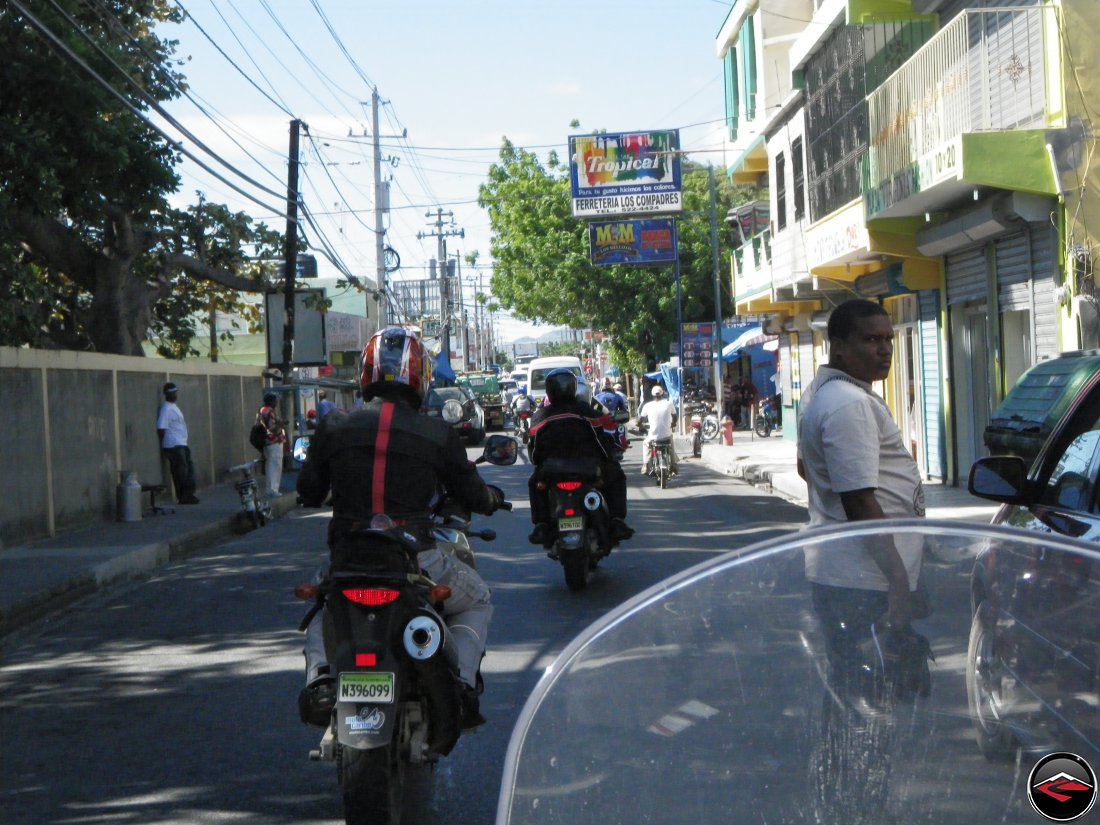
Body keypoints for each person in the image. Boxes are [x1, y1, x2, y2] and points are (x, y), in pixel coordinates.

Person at [296, 327, 506, 728]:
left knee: (325, 603)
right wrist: (492, 500)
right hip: (416, 560)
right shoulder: (438, 433)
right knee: (477, 598)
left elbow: (308, 490)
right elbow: (473, 493)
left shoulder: (335, 426)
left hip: (349, 556)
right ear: (420, 377)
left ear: (365, 375)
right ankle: (461, 683)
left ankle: (321, 678)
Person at [797, 298, 929, 815]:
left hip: (849, 577)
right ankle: (861, 808)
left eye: (888, 339)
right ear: (840, 345)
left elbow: (809, 471)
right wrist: (899, 586)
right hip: (864, 585)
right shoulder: (849, 405)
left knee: (852, 705)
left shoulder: (828, 393)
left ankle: (845, 803)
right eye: (870, 340)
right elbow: (859, 501)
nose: (883, 349)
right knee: (868, 711)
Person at [526, 368, 633, 546]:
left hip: (552, 471)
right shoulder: (588, 412)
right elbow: (604, 437)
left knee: (534, 483)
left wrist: (540, 465)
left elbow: (534, 452)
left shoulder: (540, 417)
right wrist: (609, 455)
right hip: (588, 468)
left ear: (549, 391)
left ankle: (542, 525)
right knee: (616, 475)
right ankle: (616, 521)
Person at [156, 382, 199, 504]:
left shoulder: (174, 407)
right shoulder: (166, 408)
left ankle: (189, 494)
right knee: (180, 472)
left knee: (189, 470)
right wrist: (164, 446)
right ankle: (183, 496)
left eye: (175, 392)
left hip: (182, 443)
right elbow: (161, 428)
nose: (174, 395)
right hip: (173, 445)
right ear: (166, 394)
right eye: (171, 393)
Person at [637, 385, 678, 476]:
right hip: (667, 435)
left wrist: (639, 426)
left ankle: (646, 464)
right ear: (662, 394)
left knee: (646, 444)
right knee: (671, 445)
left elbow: (641, 419)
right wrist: (673, 424)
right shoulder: (669, 403)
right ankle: (674, 465)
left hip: (653, 436)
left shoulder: (648, 406)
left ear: (652, 395)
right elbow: (675, 417)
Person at [256, 392, 286, 498]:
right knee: (274, 465)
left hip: (271, 443)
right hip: (273, 442)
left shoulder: (263, 410)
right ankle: (272, 489)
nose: (276, 402)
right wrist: (281, 424)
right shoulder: (269, 411)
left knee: (274, 465)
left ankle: (273, 489)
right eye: (275, 400)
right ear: (270, 401)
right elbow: (271, 428)